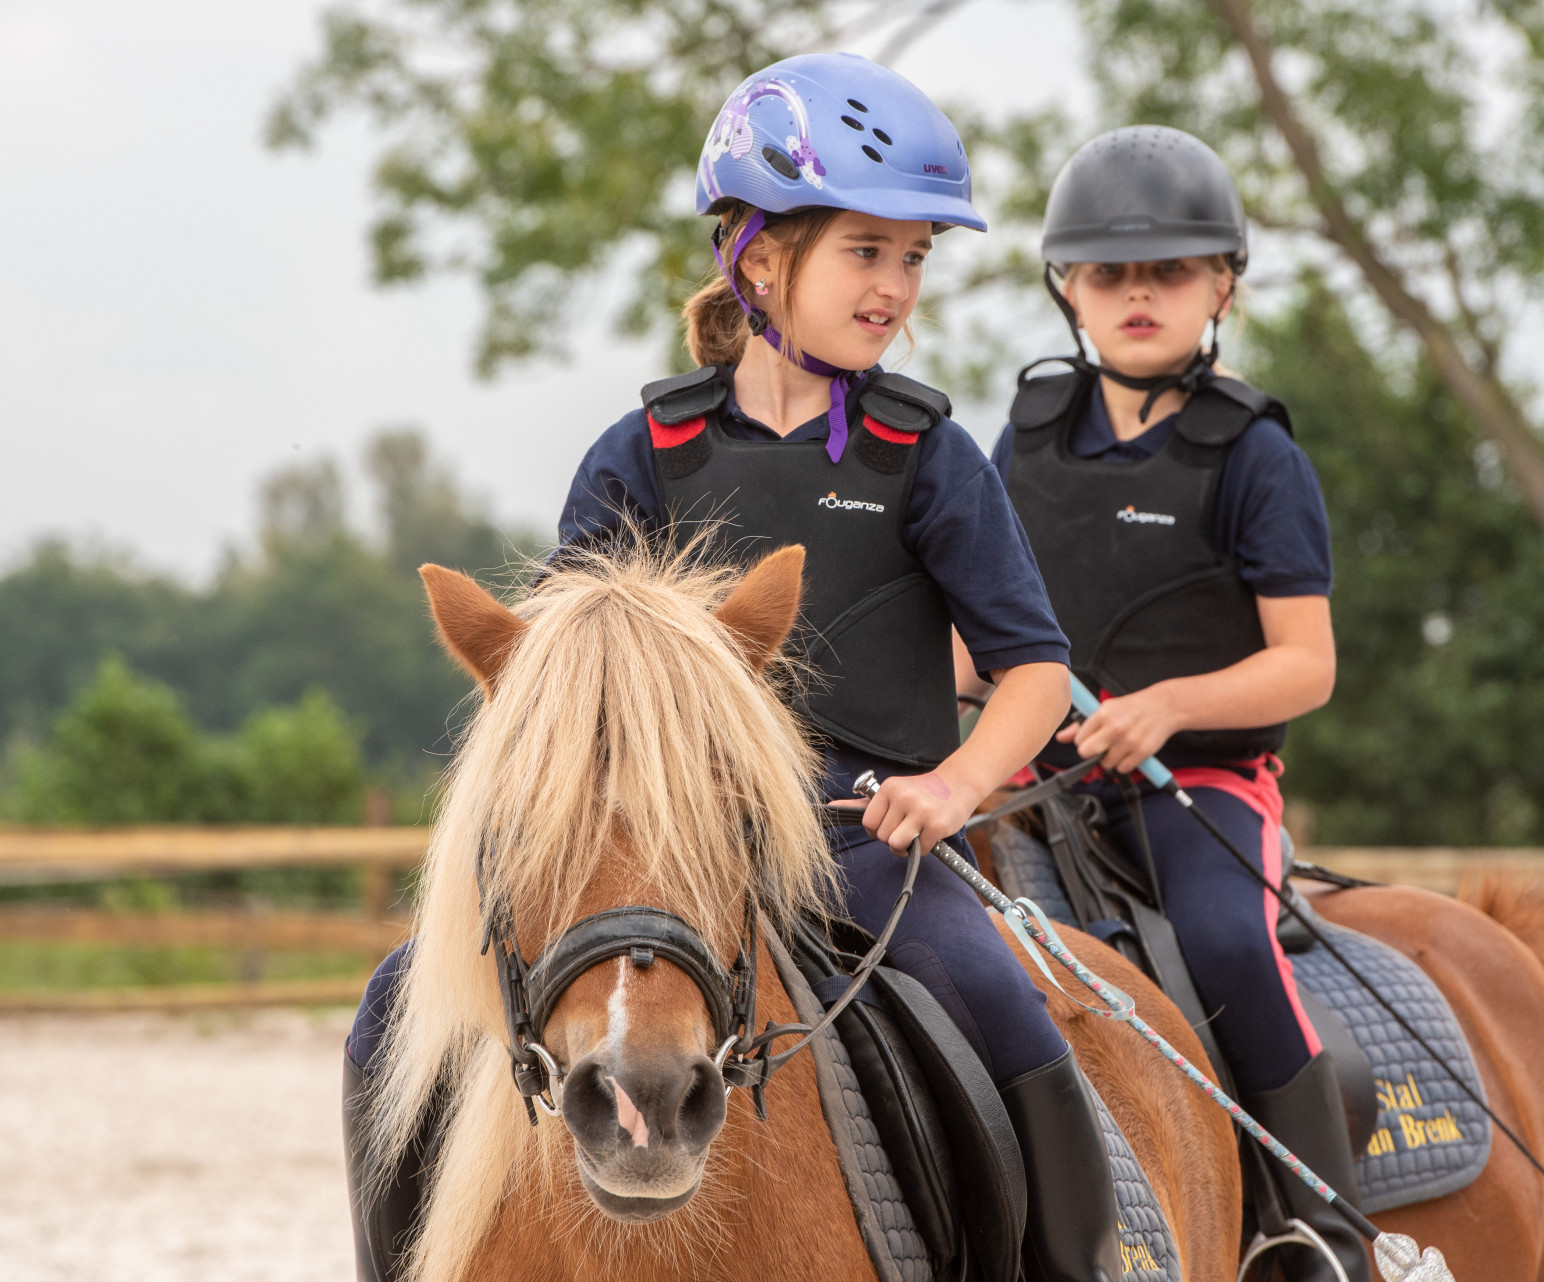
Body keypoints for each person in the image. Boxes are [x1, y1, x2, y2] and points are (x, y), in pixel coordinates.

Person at [343, 53, 1126, 1282]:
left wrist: (954, 788)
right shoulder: (642, 451)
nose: (897, 287)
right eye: (867, 251)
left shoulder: (926, 453)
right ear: (761, 256)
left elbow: (1033, 671)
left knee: (1009, 1013)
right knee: (393, 1007)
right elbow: (560, 678)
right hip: (665, 843)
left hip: (869, 840)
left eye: (915, 257)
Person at [977, 125, 1362, 1282]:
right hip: (1023, 778)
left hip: (1190, 785)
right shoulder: (1026, 440)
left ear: (1223, 284)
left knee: (1226, 939)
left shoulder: (1254, 455)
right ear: (1069, 291)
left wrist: (1167, 708)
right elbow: (975, 626)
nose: (1137, 295)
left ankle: (1319, 1232)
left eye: (1169, 273)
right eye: (1108, 274)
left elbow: (1307, 663)